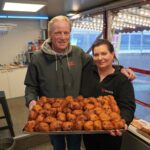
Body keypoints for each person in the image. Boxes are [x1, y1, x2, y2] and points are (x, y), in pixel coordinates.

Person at [24, 16, 135, 150]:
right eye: (58, 33)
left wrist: (119, 69)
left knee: (75, 146)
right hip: (51, 114)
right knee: (58, 146)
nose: (63, 37)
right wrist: (31, 101)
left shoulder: (78, 53)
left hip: (76, 114)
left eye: (66, 32)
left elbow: (100, 63)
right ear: (50, 34)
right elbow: (31, 86)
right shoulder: (37, 58)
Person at [80, 39, 136, 150]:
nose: (100, 58)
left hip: (111, 133)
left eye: (104, 53)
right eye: (96, 55)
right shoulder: (87, 73)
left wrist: (123, 121)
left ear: (112, 54)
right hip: (89, 130)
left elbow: (127, 106)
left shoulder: (121, 80)